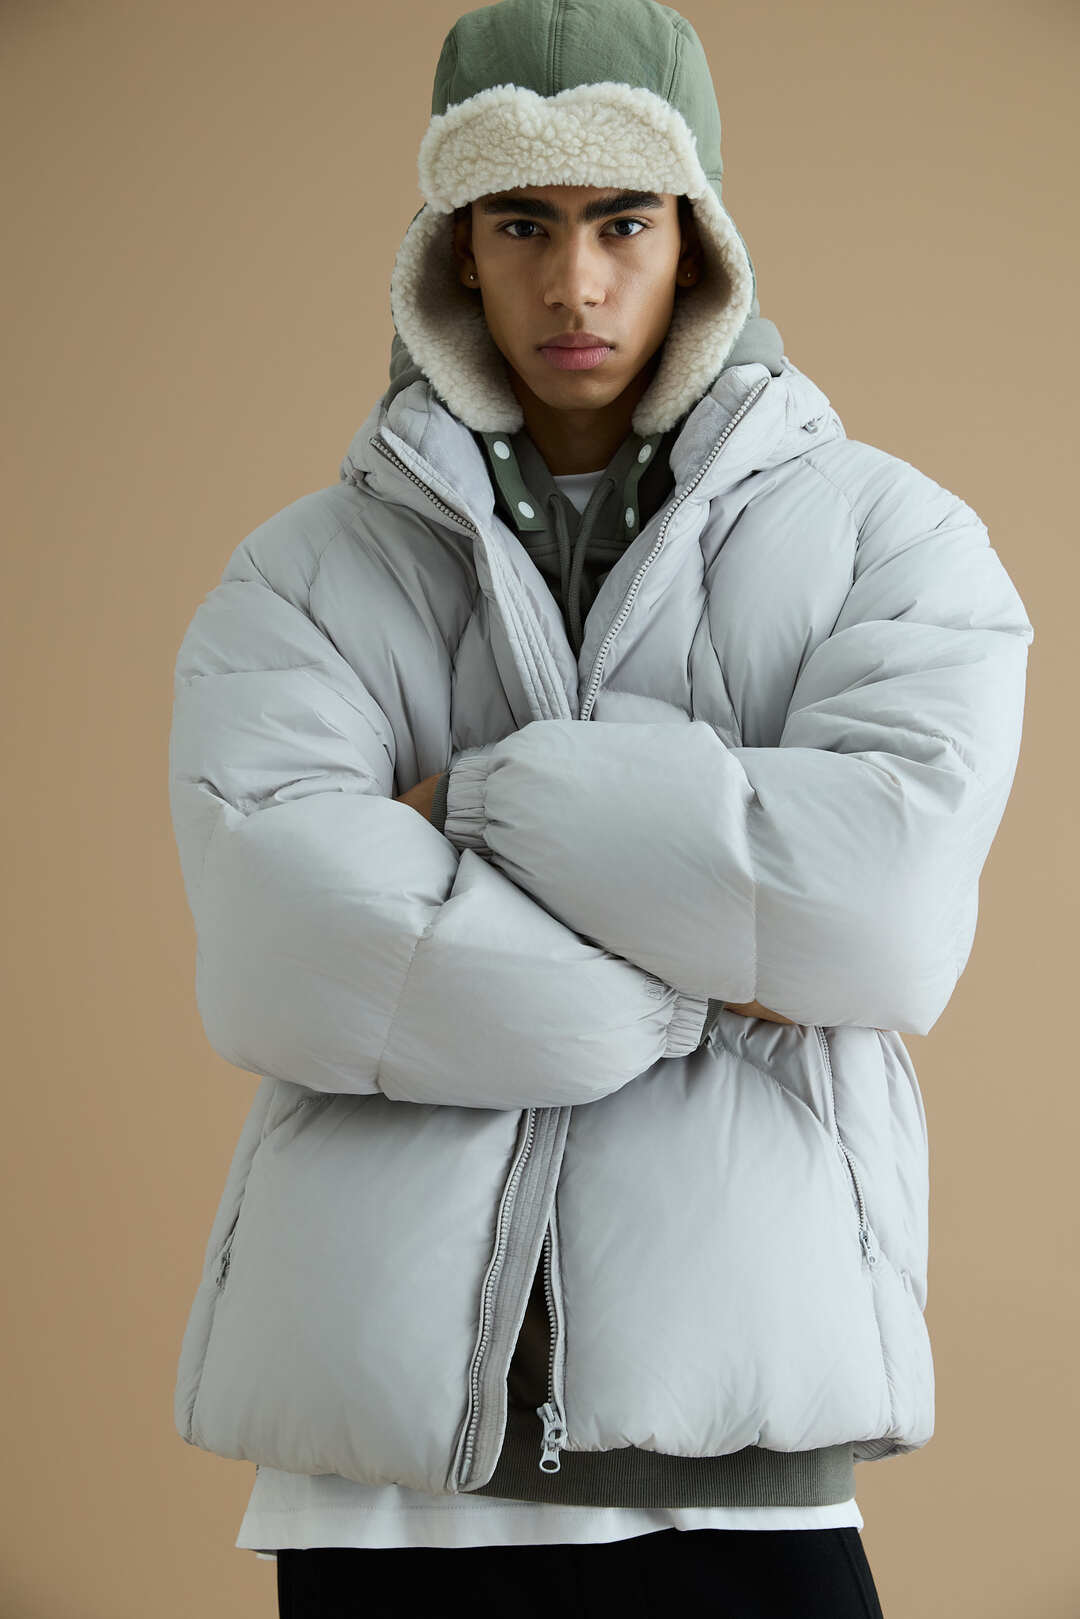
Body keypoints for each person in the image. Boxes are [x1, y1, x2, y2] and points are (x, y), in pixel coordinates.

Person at [166, 1, 1034, 1614]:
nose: (574, 282)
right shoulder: (302, 576)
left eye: (622, 221)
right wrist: (704, 970)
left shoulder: (893, 540)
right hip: (385, 1477)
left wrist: (475, 798)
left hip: (741, 1445)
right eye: (523, 224)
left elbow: (881, 912)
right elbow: (285, 943)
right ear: (457, 245)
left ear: (697, 236)